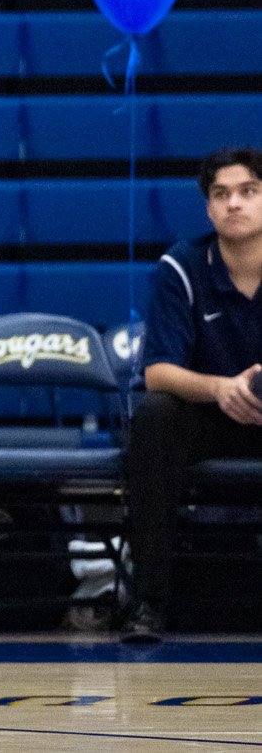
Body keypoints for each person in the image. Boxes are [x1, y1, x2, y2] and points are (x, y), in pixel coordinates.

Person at [122, 146, 262, 638]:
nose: (234, 203)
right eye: (221, 194)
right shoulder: (181, 265)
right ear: (208, 208)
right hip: (208, 417)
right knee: (154, 417)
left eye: (248, 191)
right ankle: (149, 601)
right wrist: (222, 388)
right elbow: (158, 372)